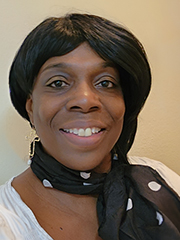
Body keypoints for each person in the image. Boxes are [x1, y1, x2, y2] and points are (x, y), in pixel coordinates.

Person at [0, 13, 179, 240]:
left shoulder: (163, 182)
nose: (85, 100)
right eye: (58, 83)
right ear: (30, 108)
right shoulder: (6, 224)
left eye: (105, 82)